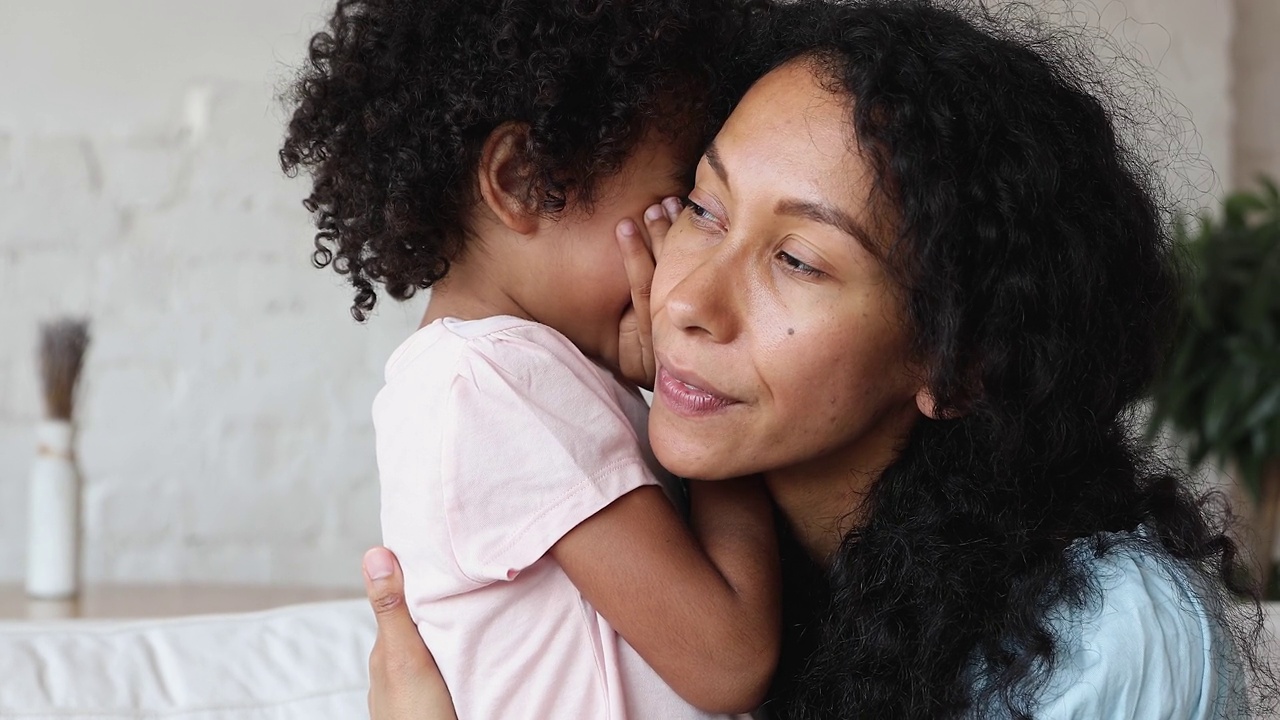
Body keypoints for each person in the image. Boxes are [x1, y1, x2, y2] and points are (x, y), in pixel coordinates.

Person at [356, 0, 1278, 718]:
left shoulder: (1108, 633)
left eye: (797, 259)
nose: (685, 300)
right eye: (701, 210)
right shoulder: (713, 560)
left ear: (960, 366)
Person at [279, 1, 783, 718]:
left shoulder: (506, 373)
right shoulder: (493, 383)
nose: (686, 257)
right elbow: (730, 661)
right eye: (679, 207)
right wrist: (698, 387)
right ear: (519, 181)